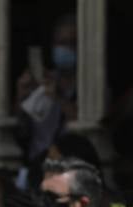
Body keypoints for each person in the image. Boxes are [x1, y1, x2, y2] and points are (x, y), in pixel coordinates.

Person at [16, 14, 78, 164]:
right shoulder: (41, 82)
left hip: (70, 166)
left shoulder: (91, 87)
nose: (65, 49)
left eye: (71, 43)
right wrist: (20, 97)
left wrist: (59, 98)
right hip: (37, 164)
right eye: (61, 43)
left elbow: (89, 127)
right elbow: (20, 129)